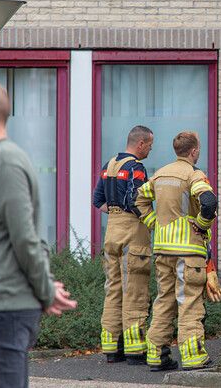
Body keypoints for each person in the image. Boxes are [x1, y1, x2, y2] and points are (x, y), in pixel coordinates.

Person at [0, 83, 77, 388]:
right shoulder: (2, 160)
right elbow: (29, 235)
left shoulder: (5, 161)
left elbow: (24, 236)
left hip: (3, 311)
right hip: (1, 310)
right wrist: (43, 287)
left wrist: (44, 290)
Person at [136, 132, 217, 371]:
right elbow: (210, 202)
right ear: (194, 151)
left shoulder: (160, 174)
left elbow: (137, 199)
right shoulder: (194, 175)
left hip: (162, 250)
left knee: (164, 300)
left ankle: (156, 355)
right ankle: (193, 357)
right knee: (190, 301)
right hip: (188, 251)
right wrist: (202, 224)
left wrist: (153, 223)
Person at [92, 125, 154, 364]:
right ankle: (135, 350)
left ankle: (111, 347)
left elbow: (97, 200)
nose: (150, 149)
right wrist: (151, 222)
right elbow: (136, 200)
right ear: (140, 144)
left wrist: (115, 212)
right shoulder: (136, 167)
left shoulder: (109, 165)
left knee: (113, 289)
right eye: (149, 145)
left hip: (112, 234)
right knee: (135, 290)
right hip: (132, 234)